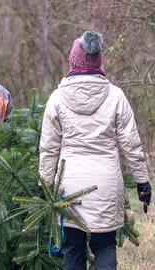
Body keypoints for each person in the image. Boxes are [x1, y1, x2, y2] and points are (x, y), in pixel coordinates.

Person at [39, 31, 151, 270]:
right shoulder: (116, 96)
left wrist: (44, 186)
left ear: (73, 61)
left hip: (69, 188)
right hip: (106, 184)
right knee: (104, 247)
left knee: (73, 250)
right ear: (99, 61)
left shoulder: (57, 99)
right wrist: (143, 183)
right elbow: (131, 144)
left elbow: (49, 148)